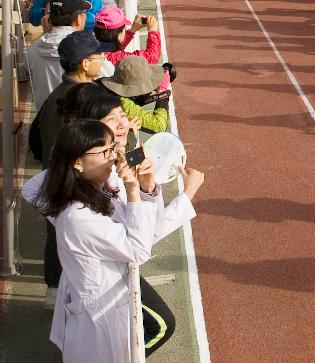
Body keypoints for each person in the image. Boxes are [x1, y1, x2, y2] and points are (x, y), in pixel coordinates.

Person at [29, 116, 204, 361]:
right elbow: (137, 249)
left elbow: (142, 228)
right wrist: (134, 191)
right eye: (104, 151)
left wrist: (146, 189)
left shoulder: (98, 190)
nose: (114, 156)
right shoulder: (77, 216)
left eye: (113, 148)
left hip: (109, 304)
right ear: (77, 163)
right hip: (100, 318)